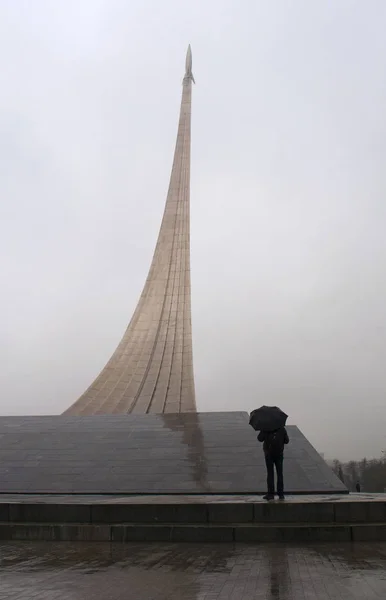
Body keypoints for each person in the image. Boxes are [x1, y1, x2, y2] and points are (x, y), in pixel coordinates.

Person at [258, 427, 289, 501]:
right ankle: (281, 494)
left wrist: (263, 431)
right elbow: (287, 441)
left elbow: (259, 439)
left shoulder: (266, 428)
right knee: (280, 474)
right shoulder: (282, 428)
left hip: (269, 455)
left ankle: (271, 494)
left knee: (270, 474)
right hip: (279, 454)